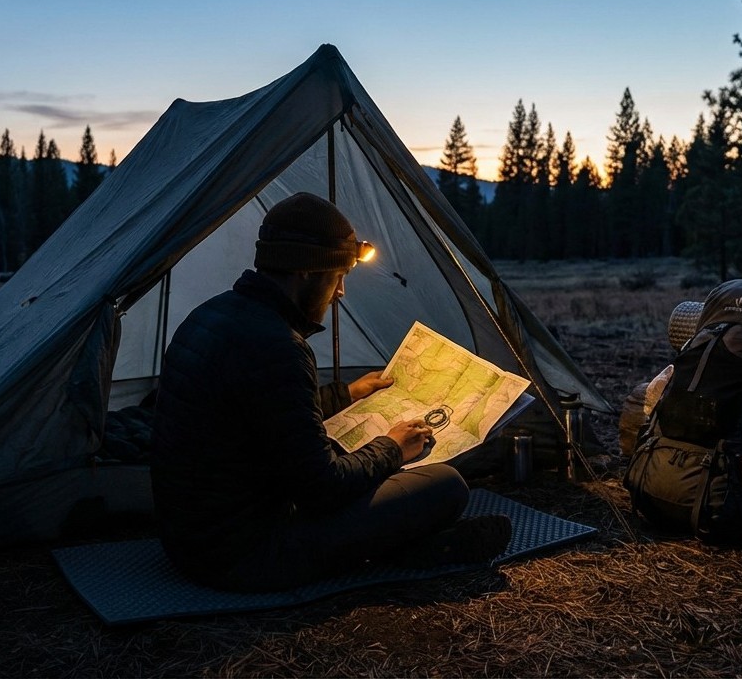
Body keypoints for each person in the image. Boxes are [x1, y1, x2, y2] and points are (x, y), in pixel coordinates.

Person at [152, 192, 511, 592]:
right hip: (246, 556)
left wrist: (346, 394)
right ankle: (411, 547)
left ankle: (410, 544)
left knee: (352, 455)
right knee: (445, 485)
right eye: (337, 277)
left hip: (188, 541)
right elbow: (324, 489)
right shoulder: (277, 345)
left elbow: (262, 414)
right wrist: (392, 447)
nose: (340, 293)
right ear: (306, 271)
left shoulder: (213, 314)